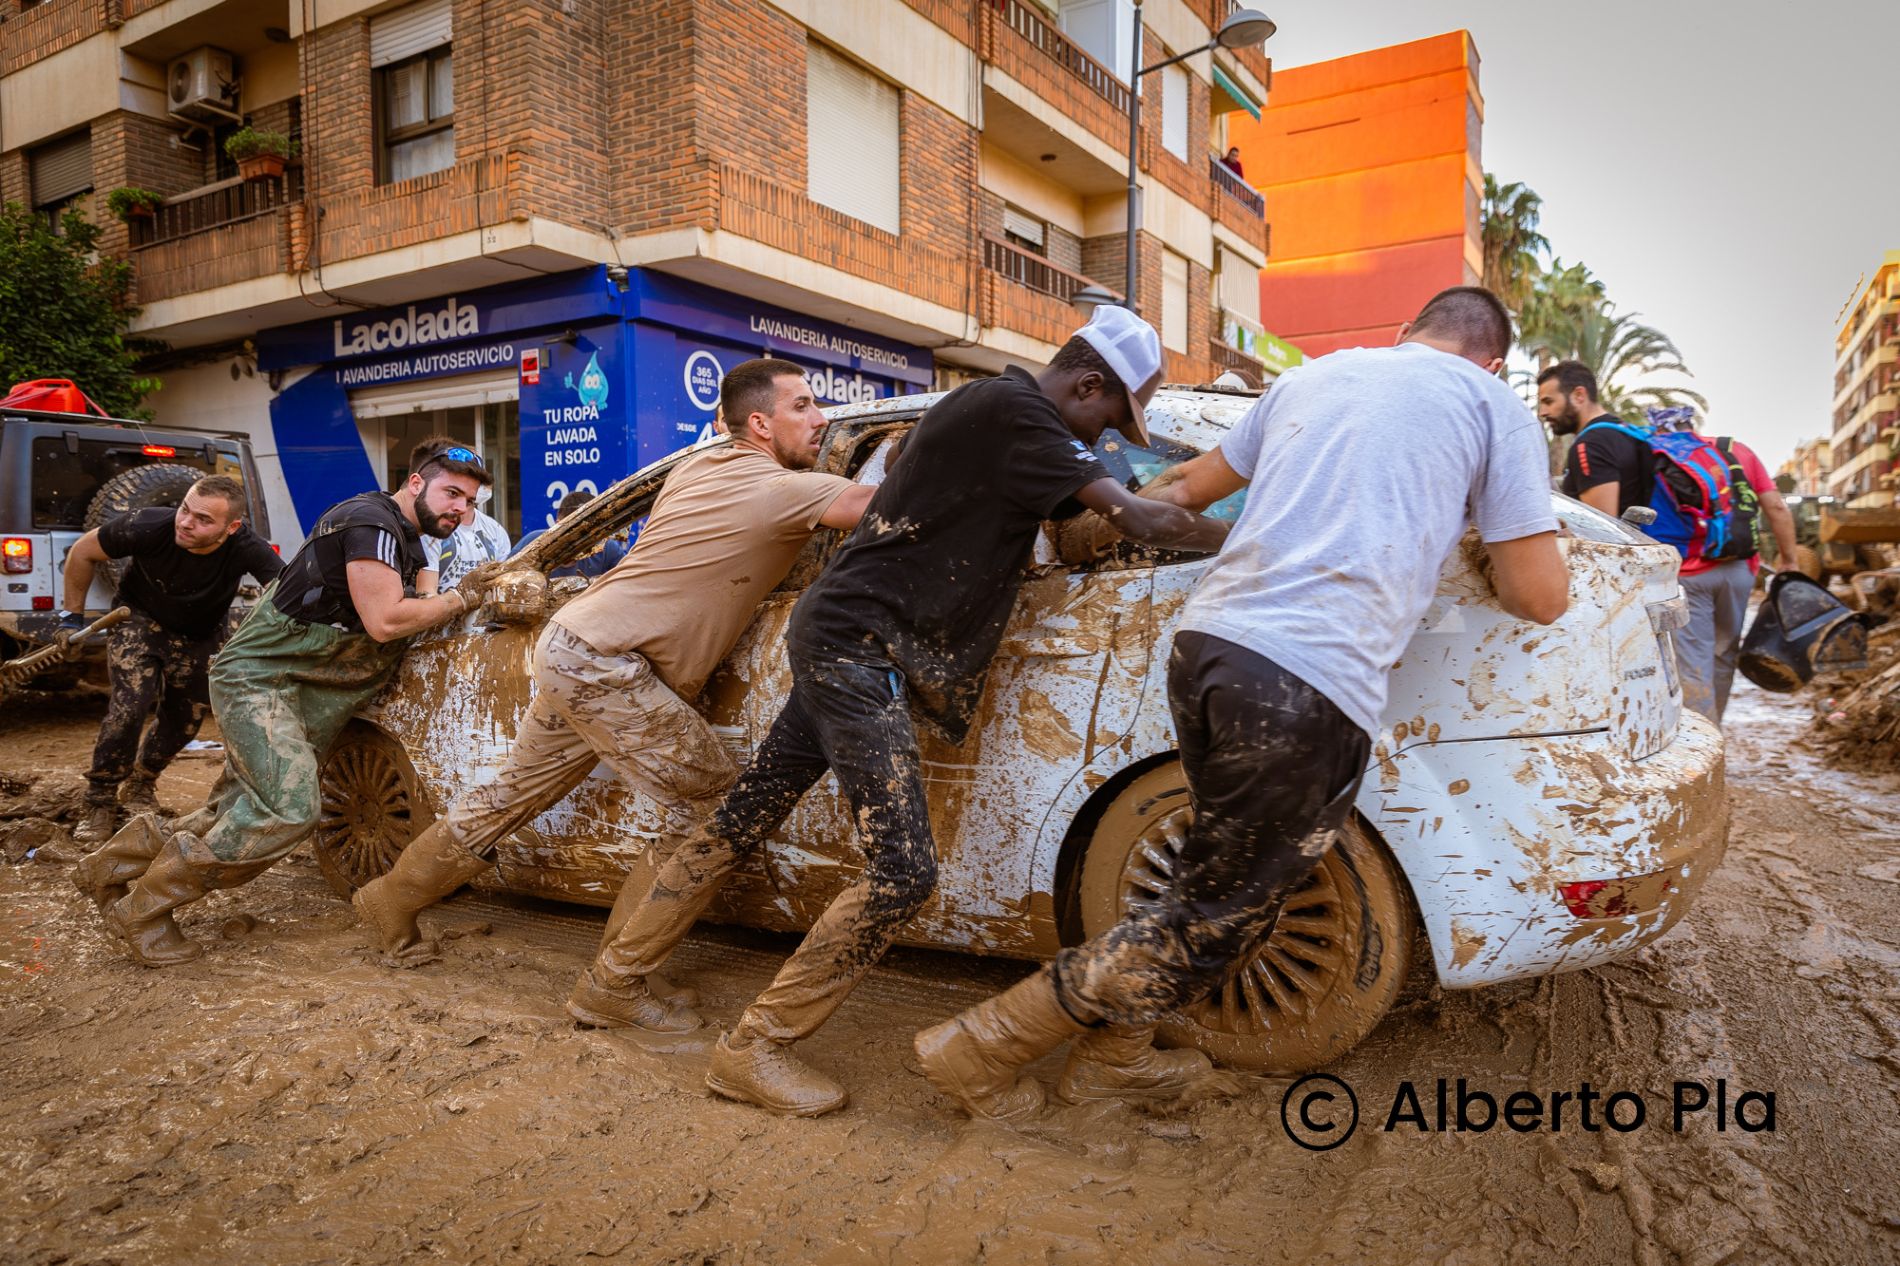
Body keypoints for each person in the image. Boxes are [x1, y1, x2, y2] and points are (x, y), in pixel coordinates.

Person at [911, 287, 1571, 1120]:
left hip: (1210, 649)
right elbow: (1539, 595)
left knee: (1207, 877)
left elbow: (1185, 485)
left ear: (1404, 332)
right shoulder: (1490, 406)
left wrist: (1079, 536)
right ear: (1494, 363)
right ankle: (981, 1047)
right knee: (1220, 912)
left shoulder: (1311, 379)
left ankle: (1113, 1059)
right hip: (1309, 678)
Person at [569, 306, 1231, 1119]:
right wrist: (1264, 535)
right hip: (861, 647)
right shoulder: (1013, 412)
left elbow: (1079, 529)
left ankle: (610, 984)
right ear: (1087, 384)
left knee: (744, 816)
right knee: (902, 871)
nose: (1108, 434)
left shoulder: (978, 411)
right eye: (1111, 416)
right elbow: (1142, 522)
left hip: (846, 630)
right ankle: (756, 1049)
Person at [353, 360, 874, 967]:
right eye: (804, 407)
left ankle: (389, 901)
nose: (822, 420)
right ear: (760, 423)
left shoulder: (700, 464)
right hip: (607, 665)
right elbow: (879, 506)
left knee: (511, 795)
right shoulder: (775, 487)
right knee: (715, 808)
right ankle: (621, 980)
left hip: (577, 647)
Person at [71, 439, 505, 967]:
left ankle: (108, 868)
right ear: (416, 483)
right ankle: (141, 911)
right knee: (287, 809)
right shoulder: (369, 523)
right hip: (263, 679)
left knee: (232, 811)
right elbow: (386, 620)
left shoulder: (413, 541)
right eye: (451, 493)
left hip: (311, 690)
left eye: (470, 502)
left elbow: (411, 607)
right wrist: (466, 596)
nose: (460, 508)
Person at [56, 476, 283, 844]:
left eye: (203, 520)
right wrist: (70, 618)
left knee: (187, 718)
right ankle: (99, 799)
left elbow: (283, 589)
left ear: (232, 528)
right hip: (138, 618)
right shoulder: (147, 525)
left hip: (200, 632)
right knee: (130, 706)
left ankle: (142, 782)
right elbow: (83, 552)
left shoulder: (247, 547)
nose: (186, 523)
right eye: (185, 510)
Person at [1643, 406, 1796, 723]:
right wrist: (1789, 560)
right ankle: (1716, 728)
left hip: (1689, 574)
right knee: (1724, 655)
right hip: (1738, 571)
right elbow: (1777, 508)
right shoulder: (1737, 451)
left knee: (1694, 661)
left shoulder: (1656, 455)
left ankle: (1704, 742)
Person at [1539, 361, 1646, 516]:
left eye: (1548, 402)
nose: (1543, 412)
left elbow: (1603, 532)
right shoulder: (1622, 430)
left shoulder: (1590, 445)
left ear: (1579, 395)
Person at [509, 489, 627, 579]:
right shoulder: (532, 544)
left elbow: (627, 582)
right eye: (572, 533)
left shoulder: (607, 549)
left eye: (589, 535)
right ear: (557, 526)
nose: (580, 542)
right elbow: (504, 581)